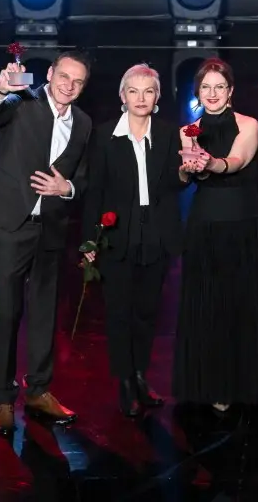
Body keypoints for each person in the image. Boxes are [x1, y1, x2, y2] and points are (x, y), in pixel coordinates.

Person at [0, 50, 93, 436]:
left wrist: (66, 188)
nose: (69, 86)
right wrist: (1, 88)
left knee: (44, 313)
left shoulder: (84, 123)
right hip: (11, 224)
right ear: (50, 74)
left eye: (78, 81)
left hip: (51, 228)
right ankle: (4, 399)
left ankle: (38, 391)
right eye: (64, 76)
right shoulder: (22, 100)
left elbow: (82, 176)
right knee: (7, 313)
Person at [172, 58, 258, 412]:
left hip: (244, 223)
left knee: (242, 306)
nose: (213, 93)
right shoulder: (188, 130)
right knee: (208, 307)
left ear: (230, 91)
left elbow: (236, 161)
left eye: (219, 87)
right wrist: (188, 170)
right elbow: (188, 177)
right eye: (206, 87)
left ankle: (243, 382)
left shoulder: (248, 124)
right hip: (205, 224)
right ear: (198, 92)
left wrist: (211, 163)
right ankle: (213, 384)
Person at [83, 64, 184, 417]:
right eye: (134, 91)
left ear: (157, 97)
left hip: (157, 232)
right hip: (115, 234)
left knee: (146, 311)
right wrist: (89, 241)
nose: (141, 98)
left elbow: (174, 183)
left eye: (148, 91)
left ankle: (140, 374)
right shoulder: (104, 135)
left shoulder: (169, 134)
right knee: (118, 312)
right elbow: (94, 190)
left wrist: (188, 172)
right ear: (122, 96)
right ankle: (125, 380)